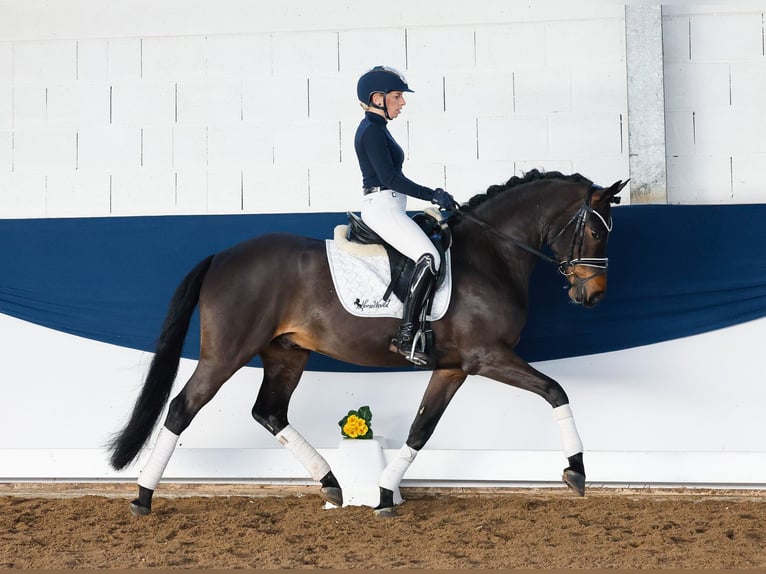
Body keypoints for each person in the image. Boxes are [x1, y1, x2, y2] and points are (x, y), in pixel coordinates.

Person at [354, 65, 457, 366]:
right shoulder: (372, 131)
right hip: (383, 206)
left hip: (391, 206)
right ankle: (406, 336)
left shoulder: (378, 129)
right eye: (397, 97)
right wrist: (433, 193)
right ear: (377, 98)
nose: (402, 103)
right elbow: (390, 179)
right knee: (429, 257)